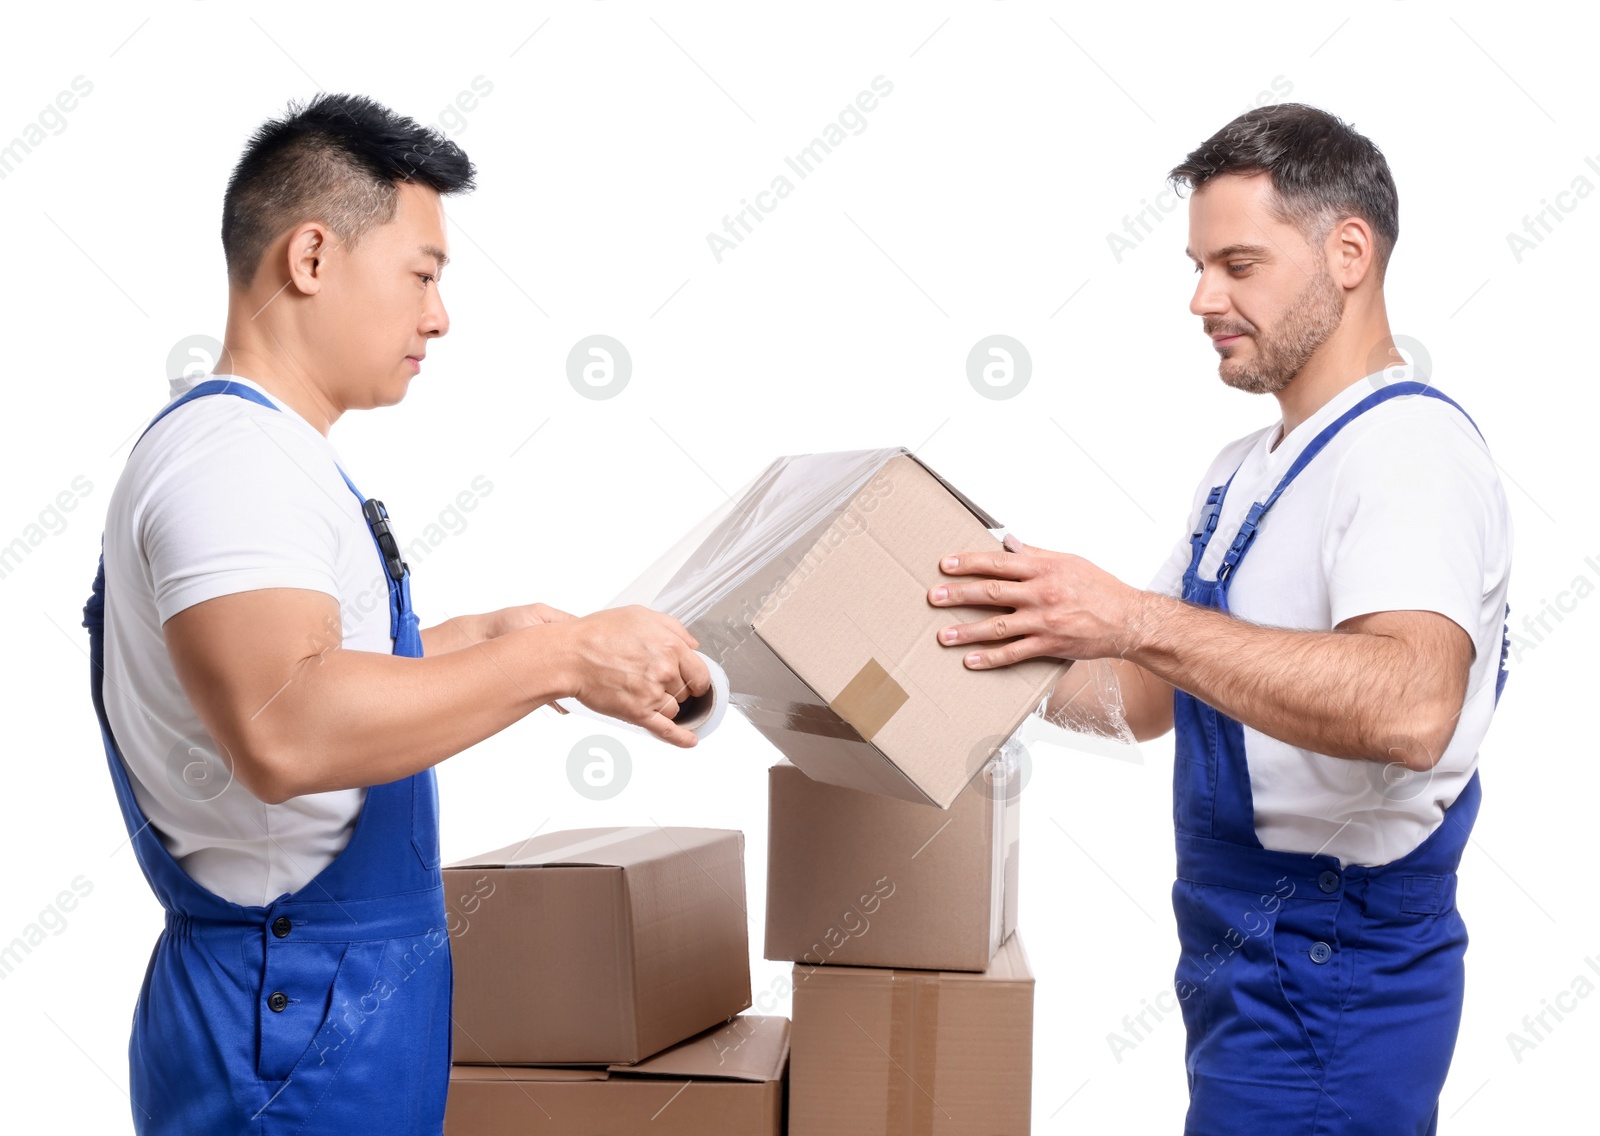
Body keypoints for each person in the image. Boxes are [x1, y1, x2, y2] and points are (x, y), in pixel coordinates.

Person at [81, 92, 709, 1136]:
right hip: (292, 1016)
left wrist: (481, 639)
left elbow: (310, 667)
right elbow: (289, 723)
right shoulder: (234, 462)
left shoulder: (270, 453)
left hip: (317, 1001)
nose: (439, 315)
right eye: (423, 273)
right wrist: (561, 658)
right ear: (313, 257)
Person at [930, 103, 1511, 1134]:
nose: (1202, 297)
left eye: (1237, 264)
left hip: (1337, 970)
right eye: (1198, 265)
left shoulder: (1407, 454)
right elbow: (1141, 696)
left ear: (1347, 252)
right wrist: (963, 652)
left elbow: (1413, 703)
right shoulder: (1242, 472)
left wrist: (1132, 613)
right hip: (1235, 956)